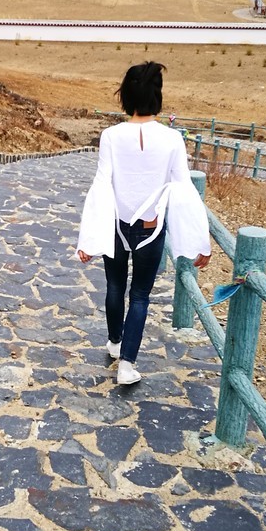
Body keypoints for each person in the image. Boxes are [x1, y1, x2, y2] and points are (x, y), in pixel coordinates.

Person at [76, 63, 210, 386]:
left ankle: (114, 342)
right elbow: (184, 191)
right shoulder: (172, 139)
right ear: (156, 96)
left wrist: (88, 238)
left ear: (127, 96)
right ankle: (127, 365)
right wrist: (199, 242)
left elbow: (101, 184)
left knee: (114, 287)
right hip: (151, 228)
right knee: (139, 296)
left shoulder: (110, 136)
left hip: (115, 225)